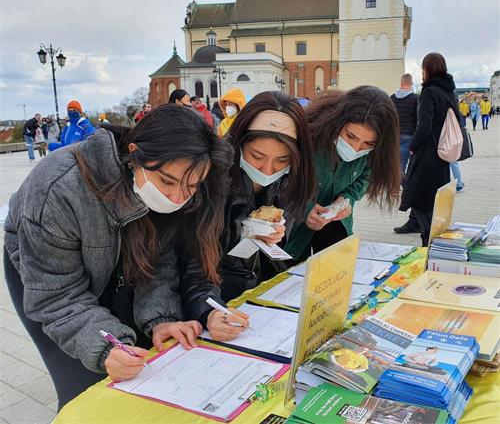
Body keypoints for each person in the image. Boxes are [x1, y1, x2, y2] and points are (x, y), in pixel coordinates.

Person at [4, 104, 249, 410]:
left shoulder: (175, 193)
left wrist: (162, 320)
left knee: (145, 367)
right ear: (135, 154)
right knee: (85, 387)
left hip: (119, 263)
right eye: (168, 182)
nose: (177, 197)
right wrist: (106, 347)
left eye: (191, 186)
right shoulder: (58, 187)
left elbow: (158, 258)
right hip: (46, 278)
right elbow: (57, 298)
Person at [219, 91, 316, 301]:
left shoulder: (292, 180)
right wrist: (244, 237)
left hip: (265, 286)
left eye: (282, 160)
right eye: (257, 156)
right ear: (239, 143)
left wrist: (274, 235)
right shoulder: (215, 177)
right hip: (220, 291)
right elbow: (200, 256)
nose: (268, 170)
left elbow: (279, 245)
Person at [285, 87, 400, 262]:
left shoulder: (373, 153)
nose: (355, 148)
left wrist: (347, 199)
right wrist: (305, 208)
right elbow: (281, 180)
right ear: (337, 122)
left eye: (367, 143)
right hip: (291, 232)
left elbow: (364, 178)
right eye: (350, 136)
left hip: (333, 228)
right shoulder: (308, 135)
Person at [400, 52, 460, 246]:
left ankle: (427, 238)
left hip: (427, 154)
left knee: (417, 195)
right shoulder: (449, 91)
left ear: (427, 69)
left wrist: (413, 146)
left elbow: (424, 126)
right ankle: (428, 232)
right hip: (442, 155)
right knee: (433, 198)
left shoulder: (429, 92)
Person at [391, 74, 420, 235]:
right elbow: (418, 120)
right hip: (409, 138)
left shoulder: (392, 98)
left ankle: (402, 189)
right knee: (406, 170)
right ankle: (409, 191)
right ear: (411, 84)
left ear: (401, 83)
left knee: (398, 167)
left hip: (395, 137)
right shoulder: (416, 99)